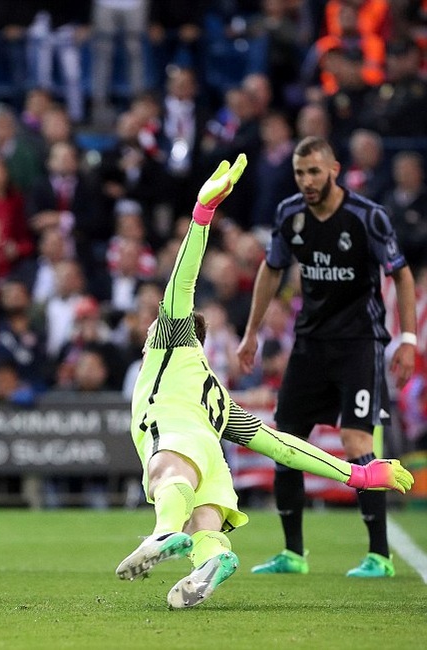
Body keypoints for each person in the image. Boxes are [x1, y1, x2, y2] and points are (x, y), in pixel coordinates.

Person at [116, 154, 414, 609]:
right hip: (211, 453)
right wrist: (358, 473)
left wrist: (202, 214)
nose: (151, 324)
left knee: (165, 474)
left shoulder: (169, 345)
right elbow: (283, 446)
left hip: (175, 435)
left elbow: (181, 283)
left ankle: (162, 533)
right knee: (207, 521)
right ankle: (211, 558)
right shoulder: (218, 398)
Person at [236, 136, 417, 578]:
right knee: (285, 443)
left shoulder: (367, 216)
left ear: (334, 169)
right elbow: (272, 268)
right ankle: (293, 554)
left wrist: (408, 338)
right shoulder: (289, 214)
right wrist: (251, 331)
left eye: (314, 171)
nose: (307, 181)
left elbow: (402, 275)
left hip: (360, 345)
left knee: (357, 443)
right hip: (310, 345)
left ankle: (379, 555)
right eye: (300, 173)